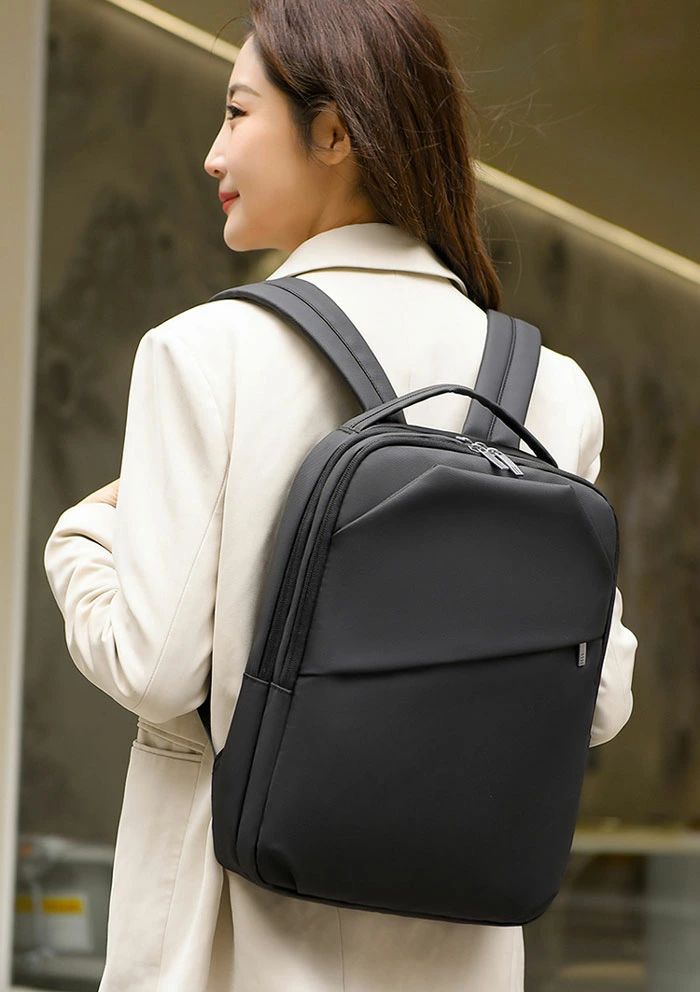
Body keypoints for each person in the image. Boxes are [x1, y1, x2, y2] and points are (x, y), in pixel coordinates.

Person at [43, 1, 638, 989]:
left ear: (332, 132)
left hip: (231, 951)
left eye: (237, 112)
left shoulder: (206, 352)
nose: (212, 152)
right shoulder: (552, 390)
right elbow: (600, 700)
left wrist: (84, 539)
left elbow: (155, 668)